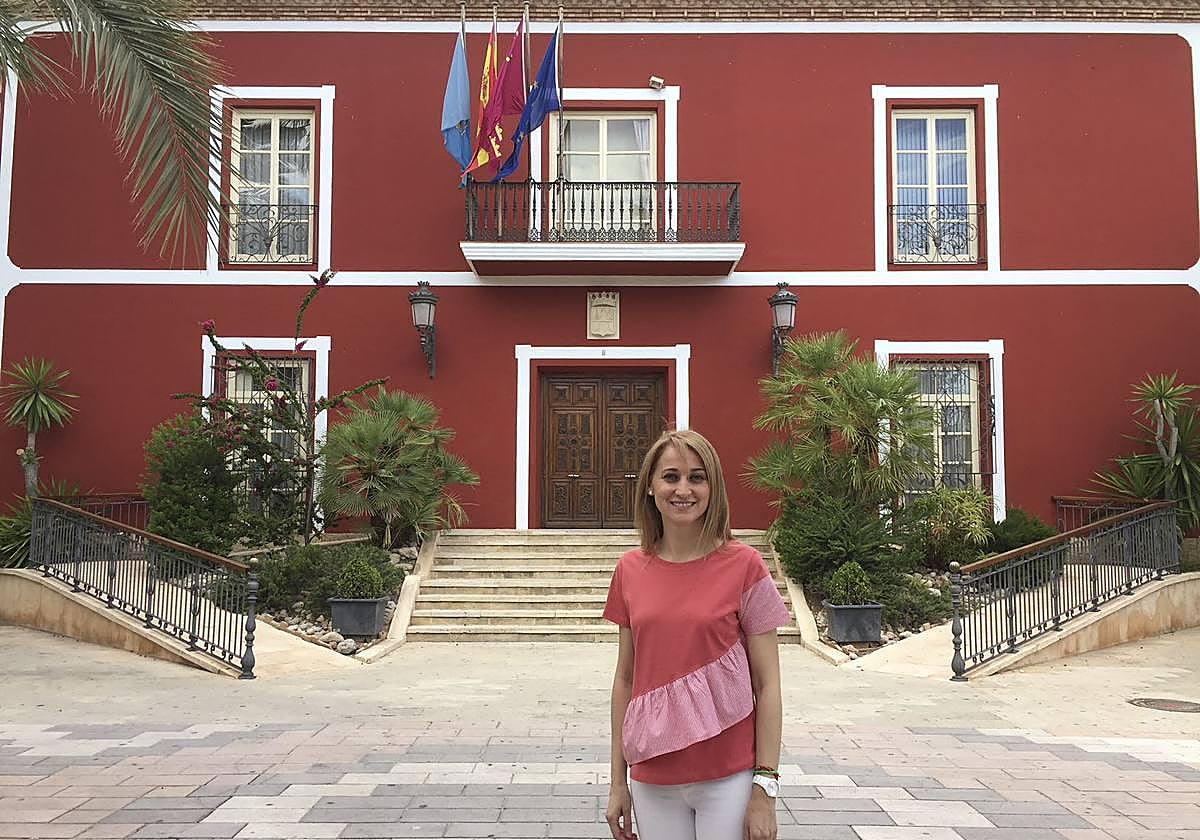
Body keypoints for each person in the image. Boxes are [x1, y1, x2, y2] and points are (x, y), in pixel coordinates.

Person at [603, 429, 790, 840]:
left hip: (729, 777)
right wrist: (619, 781)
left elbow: (768, 684)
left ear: (713, 488)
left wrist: (765, 788)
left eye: (697, 477)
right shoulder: (630, 570)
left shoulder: (746, 566)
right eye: (671, 477)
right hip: (652, 777)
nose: (683, 489)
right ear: (650, 488)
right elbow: (625, 679)